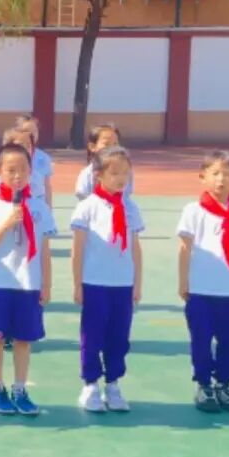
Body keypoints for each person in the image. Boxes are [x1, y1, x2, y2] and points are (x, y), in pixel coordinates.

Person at [0, 143, 56, 416]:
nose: (17, 175)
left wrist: (46, 284)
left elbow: (44, 249)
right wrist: (7, 224)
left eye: (23, 169)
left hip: (28, 284)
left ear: (31, 171)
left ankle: (20, 388)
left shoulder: (39, 207)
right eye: (11, 170)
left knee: (23, 339)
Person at [177, 150, 229, 413]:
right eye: (215, 173)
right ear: (203, 177)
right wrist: (183, 281)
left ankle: (224, 384)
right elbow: (185, 248)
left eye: (228, 174)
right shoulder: (194, 211)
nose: (221, 179)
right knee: (201, 339)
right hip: (201, 289)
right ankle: (203, 385)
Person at [71, 146, 144, 413]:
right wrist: (77, 283)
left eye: (125, 173)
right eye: (114, 173)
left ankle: (113, 384)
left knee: (119, 336)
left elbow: (135, 248)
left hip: (122, 284)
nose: (121, 178)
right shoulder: (87, 207)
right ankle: (90, 384)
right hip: (95, 282)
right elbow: (78, 249)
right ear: (98, 175)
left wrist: (137, 283)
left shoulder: (131, 207)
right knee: (93, 335)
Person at [0, 127, 47, 201]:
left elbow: (40, 202)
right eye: (21, 145)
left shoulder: (36, 177)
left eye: (28, 146)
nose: (25, 149)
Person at [75, 123, 134, 200]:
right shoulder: (87, 173)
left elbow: (126, 195)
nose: (112, 148)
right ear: (92, 147)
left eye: (115, 144)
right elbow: (82, 195)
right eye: (106, 144)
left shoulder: (127, 171)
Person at [14, 113, 54, 206]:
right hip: (17, 202)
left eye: (35, 131)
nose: (32, 134)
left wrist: (49, 206)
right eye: (27, 131)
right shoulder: (11, 156)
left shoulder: (44, 158)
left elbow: (47, 185)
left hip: (38, 202)